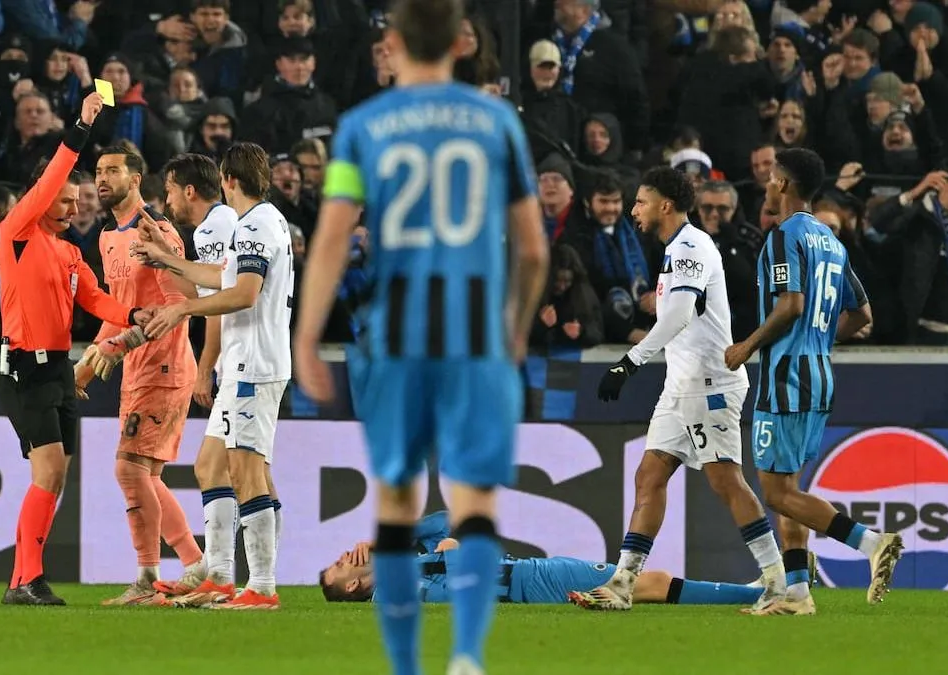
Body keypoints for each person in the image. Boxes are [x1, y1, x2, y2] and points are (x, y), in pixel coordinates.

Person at [292, 0, 548, 672]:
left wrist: (307, 336)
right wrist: (514, 331)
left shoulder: (360, 127)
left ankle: (406, 666)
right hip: (474, 328)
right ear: (462, 44)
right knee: (472, 502)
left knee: (400, 506)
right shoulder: (497, 123)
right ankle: (465, 653)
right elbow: (532, 250)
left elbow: (330, 242)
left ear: (393, 43)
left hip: (396, 332)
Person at [568, 167, 787, 614]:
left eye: (641, 202)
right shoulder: (677, 250)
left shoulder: (690, 245)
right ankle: (622, 584)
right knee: (649, 475)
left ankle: (778, 582)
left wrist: (628, 362)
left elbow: (678, 316)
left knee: (725, 481)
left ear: (665, 205)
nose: (634, 210)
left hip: (709, 385)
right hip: (681, 384)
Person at [724, 147, 904, 615]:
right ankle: (798, 594)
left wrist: (748, 346)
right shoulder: (831, 240)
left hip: (786, 376)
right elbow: (862, 314)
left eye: (770, 177)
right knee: (792, 489)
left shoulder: (784, 236)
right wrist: (820, 343)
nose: (766, 184)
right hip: (820, 373)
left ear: (783, 184)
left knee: (776, 492)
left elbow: (790, 306)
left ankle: (871, 543)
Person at [0, 92, 153, 606]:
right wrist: (81, 127)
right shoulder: (17, 233)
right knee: (48, 472)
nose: (72, 206)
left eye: (74, 201)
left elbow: (95, 298)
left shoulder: (68, 252)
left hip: (59, 370)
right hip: (24, 368)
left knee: (56, 474)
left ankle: (23, 579)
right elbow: (51, 178)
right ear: (42, 199)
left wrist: (135, 316)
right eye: (63, 200)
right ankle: (26, 580)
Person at [139, 142, 294, 611]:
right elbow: (220, 279)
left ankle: (262, 587)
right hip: (248, 362)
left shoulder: (254, 224)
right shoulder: (259, 222)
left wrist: (185, 307)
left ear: (228, 179)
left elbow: (244, 294)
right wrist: (166, 257)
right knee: (211, 465)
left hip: (254, 363)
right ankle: (224, 577)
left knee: (247, 471)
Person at [72, 142, 204, 606]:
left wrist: (120, 343)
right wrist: (90, 361)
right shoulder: (108, 238)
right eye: (98, 172)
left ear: (136, 178)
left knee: (129, 469)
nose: (101, 179)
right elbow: (119, 311)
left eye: (112, 170)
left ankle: (188, 567)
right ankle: (161, 575)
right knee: (142, 473)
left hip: (164, 364)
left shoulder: (158, 232)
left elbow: (178, 306)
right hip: (134, 368)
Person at [321, 541, 764, 608]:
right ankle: (756, 593)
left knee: (648, 582)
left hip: (526, 576)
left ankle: (753, 591)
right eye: (342, 565)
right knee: (650, 582)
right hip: (530, 581)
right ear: (355, 584)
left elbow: (443, 533)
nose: (346, 554)